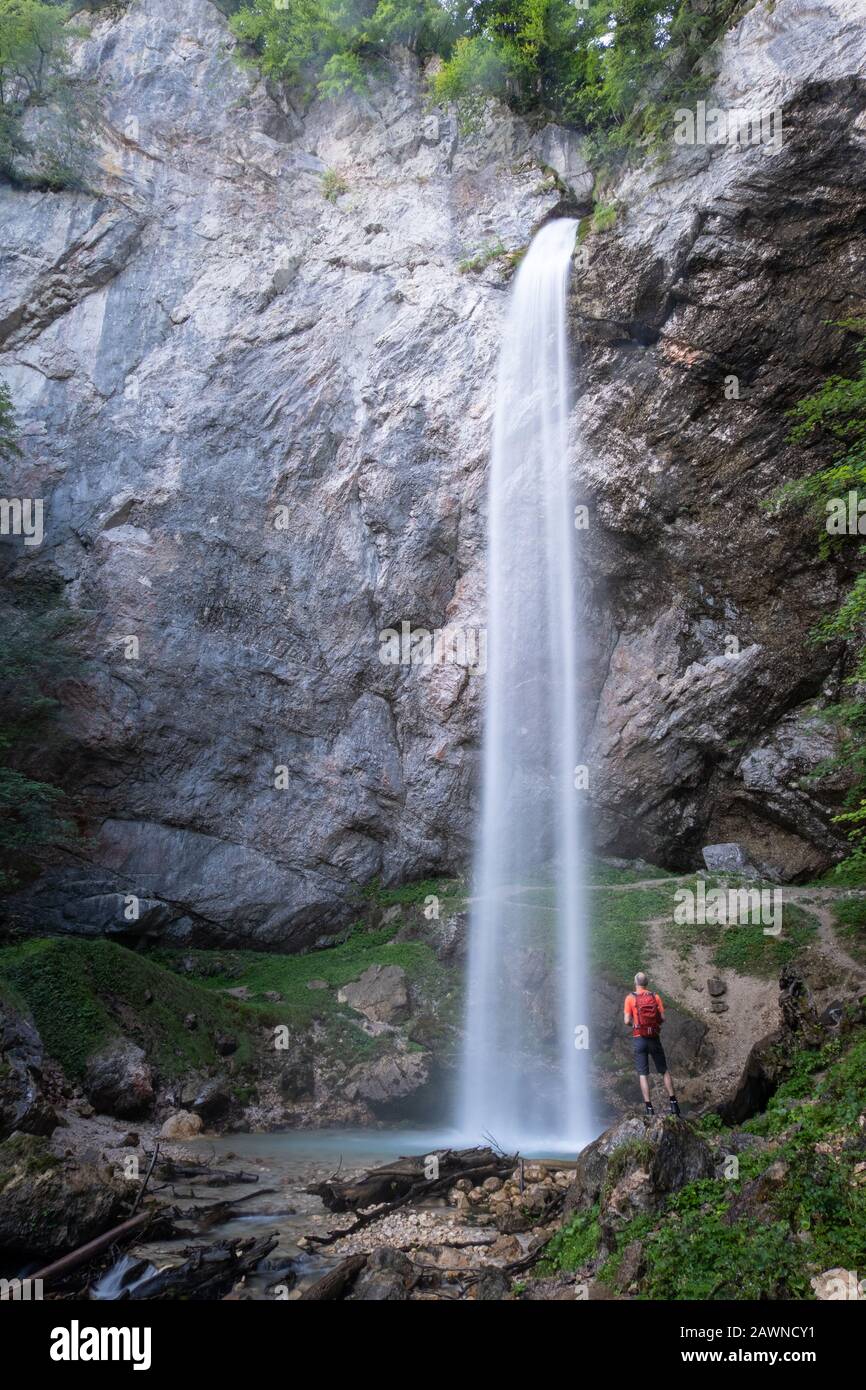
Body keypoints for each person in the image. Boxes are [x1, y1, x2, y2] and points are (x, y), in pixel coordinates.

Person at [623, 971, 680, 1117]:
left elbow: (626, 1021)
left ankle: (649, 1108)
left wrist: (635, 1025)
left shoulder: (630, 998)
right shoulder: (655, 997)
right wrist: (654, 1024)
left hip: (639, 1038)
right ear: (647, 983)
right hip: (654, 1037)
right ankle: (673, 1104)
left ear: (635, 983)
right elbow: (662, 1018)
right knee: (664, 1070)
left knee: (643, 1074)